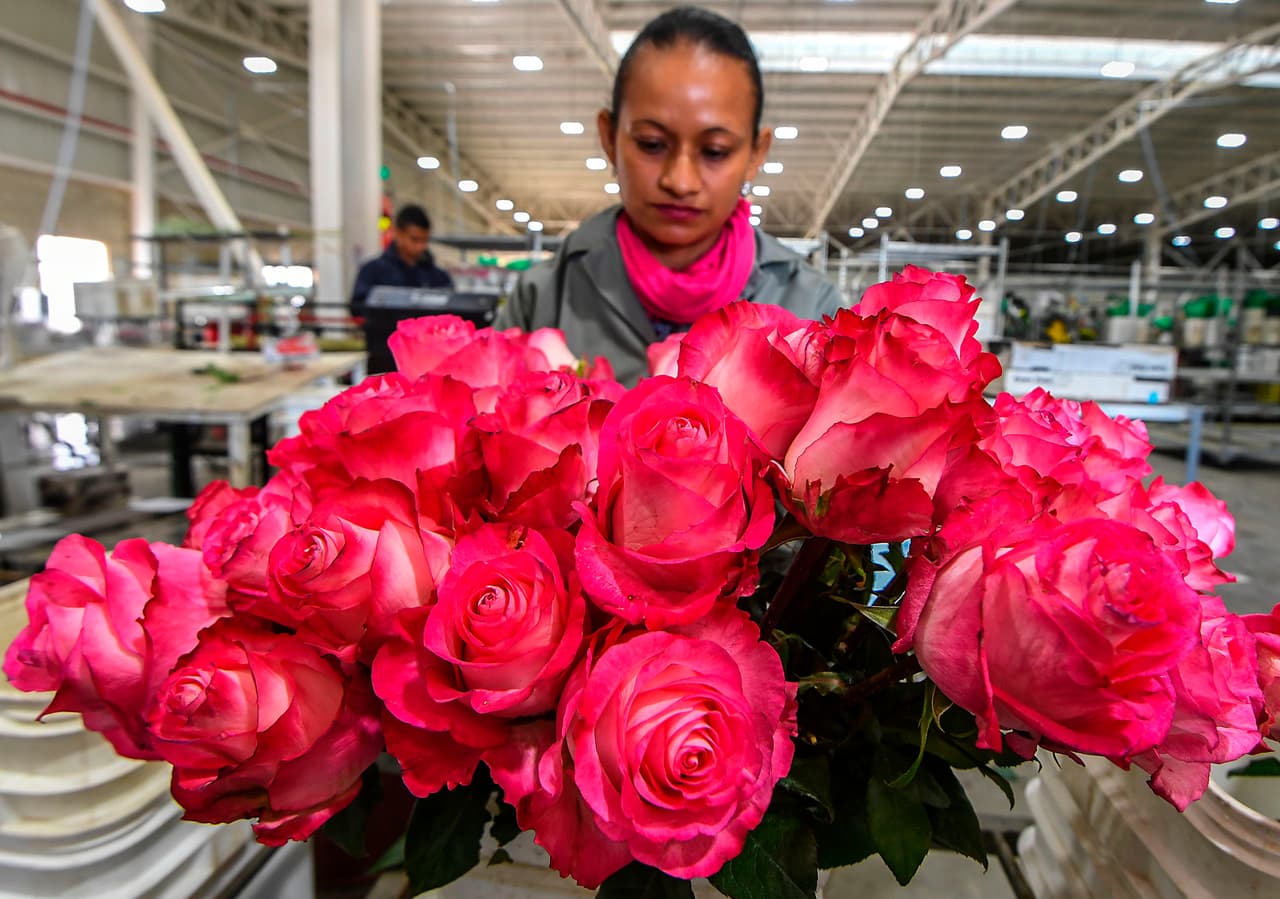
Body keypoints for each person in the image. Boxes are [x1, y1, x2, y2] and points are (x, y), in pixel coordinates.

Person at [495, 5, 842, 385]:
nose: (680, 180)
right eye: (652, 144)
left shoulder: (812, 309)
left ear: (756, 154)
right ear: (609, 138)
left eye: (714, 151)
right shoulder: (545, 296)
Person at [350, 203, 454, 372]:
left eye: (424, 240)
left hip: (431, 366)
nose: (420, 246)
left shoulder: (438, 277)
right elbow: (357, 309)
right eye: (414, 239)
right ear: (397, 233)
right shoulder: (373, 272)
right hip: (384, 361)